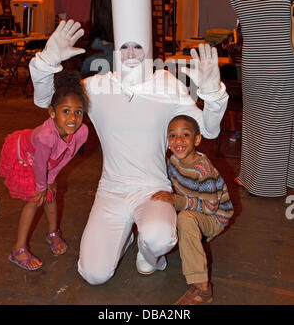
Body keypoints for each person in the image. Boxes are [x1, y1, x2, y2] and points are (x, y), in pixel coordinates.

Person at [29, 19, 228, 285]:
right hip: (111, 189)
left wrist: (213, 93)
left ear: (149, 48)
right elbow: (45, 101)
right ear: (115, 51)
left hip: (152, 188)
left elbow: (210, 130)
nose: (132, 53)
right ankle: (127, 238)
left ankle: (150, 255)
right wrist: (45, 63)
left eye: (138, 46)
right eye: (125, 47)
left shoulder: (167, 85)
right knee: (94, 275)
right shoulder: (95, 87)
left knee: (160, 237)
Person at [0, 71, 89, 271]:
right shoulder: (47, 136)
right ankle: (18, 249)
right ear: (52, 112)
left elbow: (67, 156)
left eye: (78, 111)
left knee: (51, 195)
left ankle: (53, 233)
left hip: (46, 162)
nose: (73, 118)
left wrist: (52, 178)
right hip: (24, 155)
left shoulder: (82, 132)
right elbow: (39, 163)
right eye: (66, 111)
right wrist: (42, 184)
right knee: (35, 199)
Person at [231, 0, 294, 197]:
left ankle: (252, 177)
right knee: (282, 124)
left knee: (257, 123)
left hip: (254, 68)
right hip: (285, 67)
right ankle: (273, 183)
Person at [151, 115, 233, 305]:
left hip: (214, 217)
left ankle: (203, 289)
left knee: (186, 219)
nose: (178, 141)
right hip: (195, 208)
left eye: (185, 135)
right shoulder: (173, 161)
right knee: (167, 206)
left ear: (197, 140)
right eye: (172, 136)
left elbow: (210, 208)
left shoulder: (202, 170)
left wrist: (177, 201)